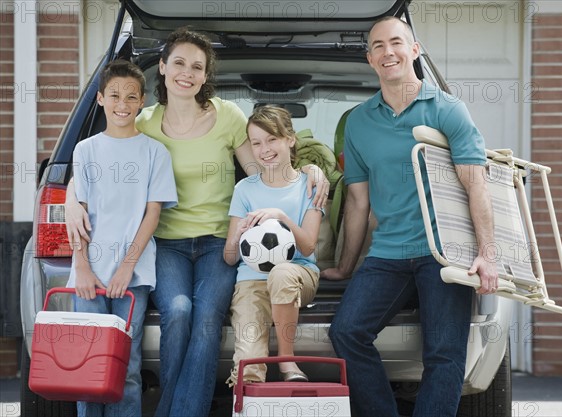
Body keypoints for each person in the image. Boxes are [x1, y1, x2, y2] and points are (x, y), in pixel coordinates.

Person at [65, 29, 329, 417]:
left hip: (219, 242)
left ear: (206, 76)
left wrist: (310, 168)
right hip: (165, 243)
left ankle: (181, 412)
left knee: (206, 317)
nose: (186, 73)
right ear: (162, 67)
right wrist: (72, 197)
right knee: (178, 311)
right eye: (178, 63)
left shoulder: (228, 116)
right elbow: (99, 156)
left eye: (197, 67)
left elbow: (264, 169)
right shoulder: (147, 120)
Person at [321, 17, 499, 417]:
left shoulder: (448, 109)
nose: (389, 52)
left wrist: (487, 253)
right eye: (379, 46)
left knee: (444, 353)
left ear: (414, 50)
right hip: (388, 253)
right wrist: (346, 266)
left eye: (397, 42)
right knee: (347, 332)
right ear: (370, 58)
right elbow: (357, 201)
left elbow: (477, 185)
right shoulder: (360, 122)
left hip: (446, 254)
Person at [67, 59, 177, 417]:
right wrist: (81, 266)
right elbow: (78, 216)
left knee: (125, 366)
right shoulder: (85, 150)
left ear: (142, 101)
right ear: (100, 98)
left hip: (132, 277)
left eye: (131, 97)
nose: (122, 104)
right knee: (88, 364)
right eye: (114, 95)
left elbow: (153, 215)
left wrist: (127, 268)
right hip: (89, 276)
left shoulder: (154, 152)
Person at [223, 106, 323, 387]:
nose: (264, 149)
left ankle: (286, 358)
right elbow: (230, 258)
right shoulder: (244, 189)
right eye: (256, 143)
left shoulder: (309, 185)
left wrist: (282, 217)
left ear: (290, 139)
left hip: (299, 275)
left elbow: (308, 246)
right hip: (251, 283)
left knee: (280, 274)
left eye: (272, 139)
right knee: (249, 364)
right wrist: (238, 235)